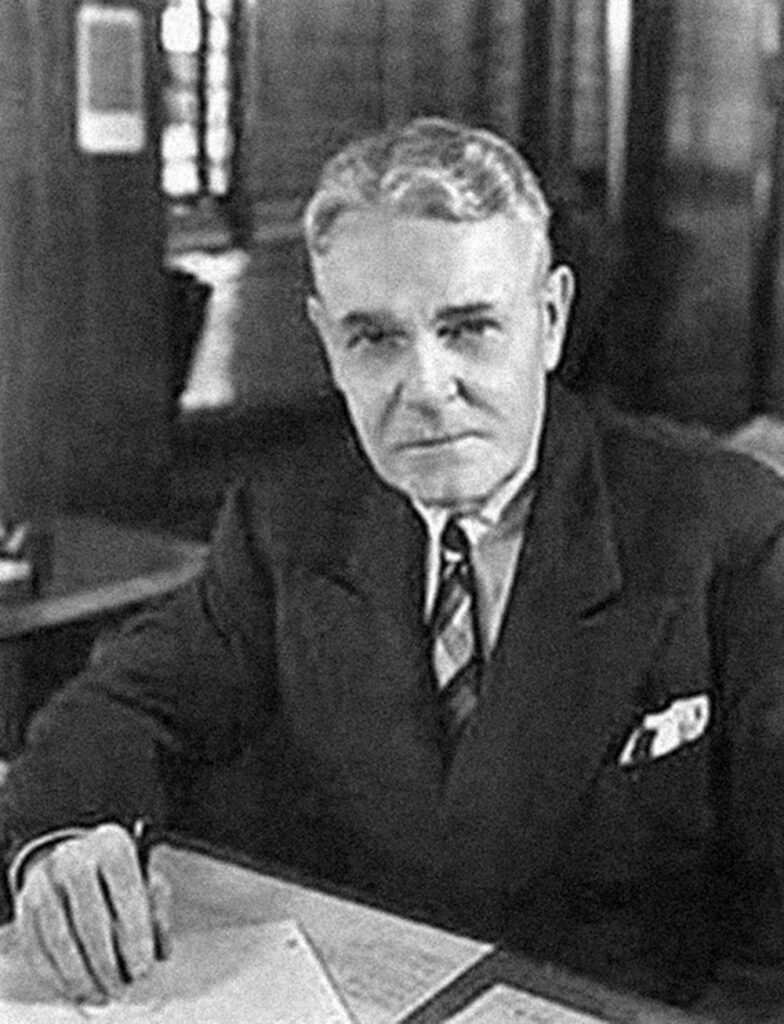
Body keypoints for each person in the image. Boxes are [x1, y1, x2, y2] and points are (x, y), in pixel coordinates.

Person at [3, 116, 784, 1011]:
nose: (425, 387)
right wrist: (65, 839)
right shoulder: (288, 519)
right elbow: (125, 701)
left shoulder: (724, 526)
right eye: (374, 338)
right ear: (327, 343)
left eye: (470, 327)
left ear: (552, 319)